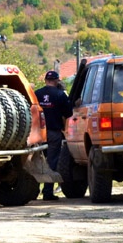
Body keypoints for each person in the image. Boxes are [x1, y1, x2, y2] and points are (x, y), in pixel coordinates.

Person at [34, 70, 72, 201]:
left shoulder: (36, 94)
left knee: (35, 160)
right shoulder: (60, 95)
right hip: (54, 133)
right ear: (56, 81)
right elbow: (69, 113)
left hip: (38, 133)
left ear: (45, 80)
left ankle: (33, 191)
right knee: (52, 161)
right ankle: (47, 192)